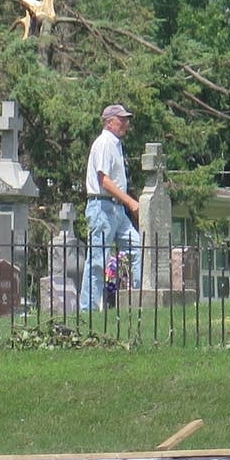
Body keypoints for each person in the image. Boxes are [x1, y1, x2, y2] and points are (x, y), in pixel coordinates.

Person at [79, 104, 142, 311]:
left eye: (126, 119)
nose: (126, 123)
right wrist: (130, 201)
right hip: (101, 206)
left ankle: (139, 299)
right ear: (109, 122)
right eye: (121, 119)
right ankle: (87, 310)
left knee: (137, 247)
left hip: (116, 210)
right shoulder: (104, 143)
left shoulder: (116, 144)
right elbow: (104, 180)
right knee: (97, 261)